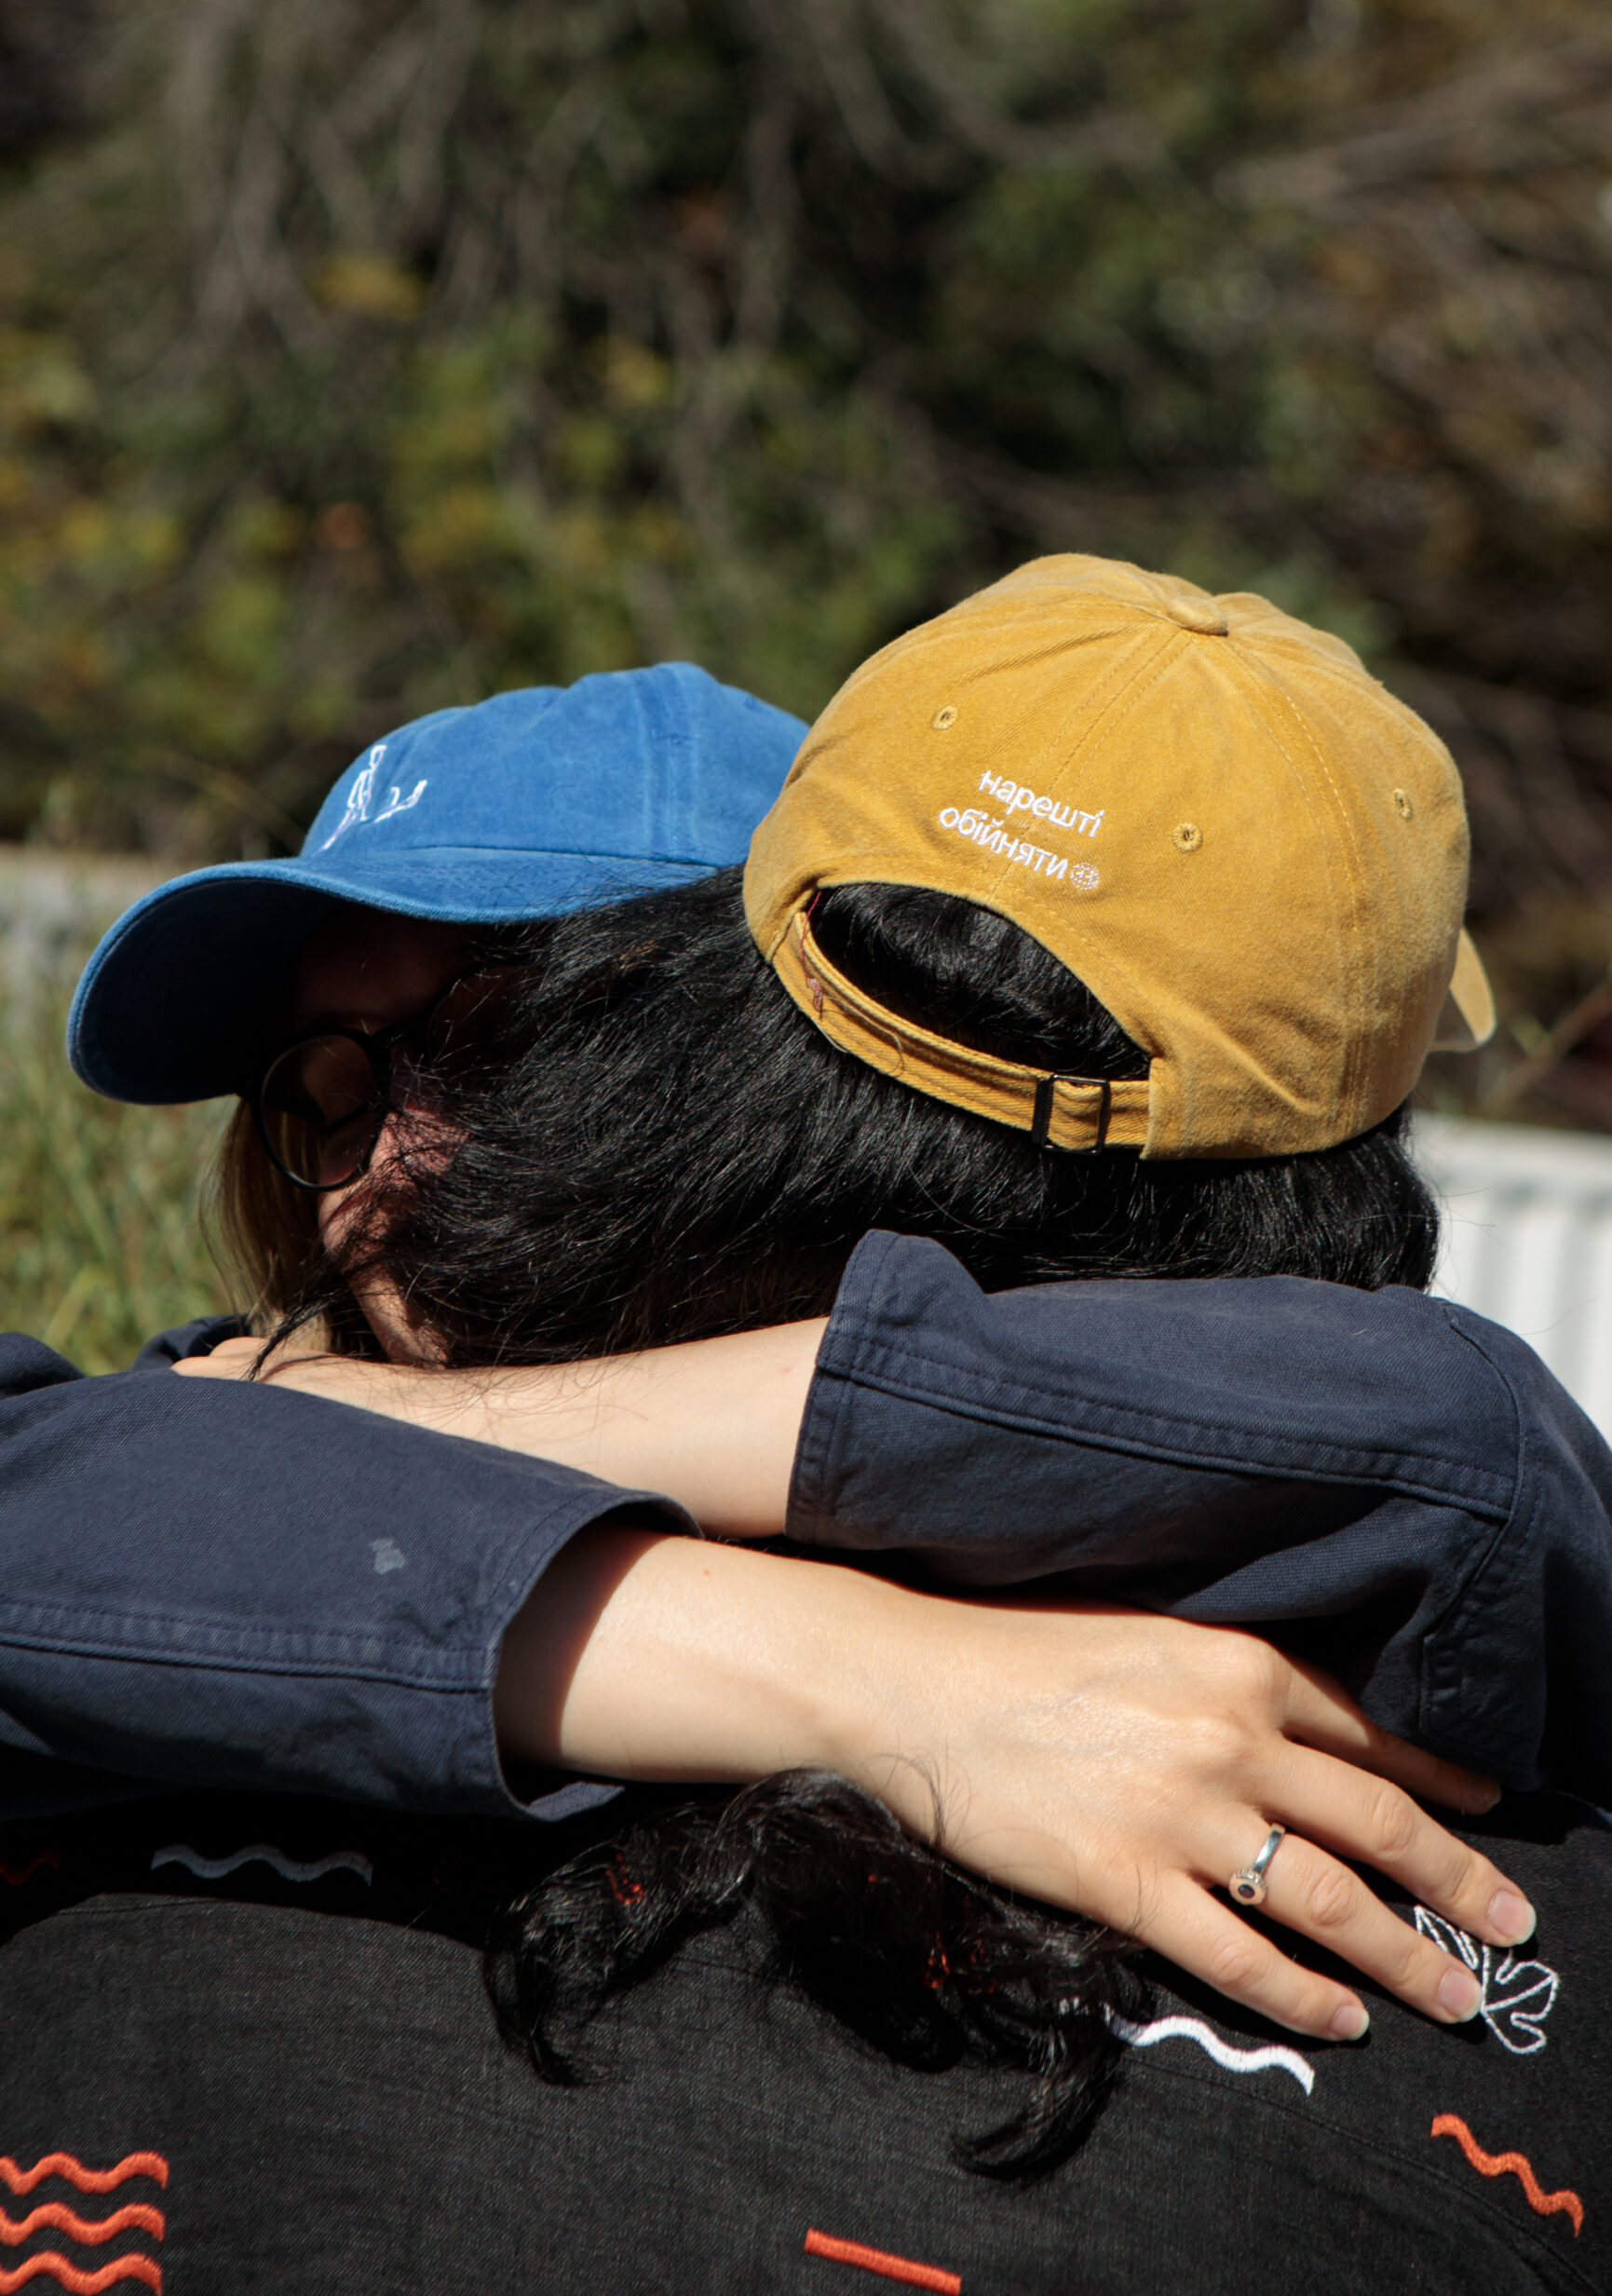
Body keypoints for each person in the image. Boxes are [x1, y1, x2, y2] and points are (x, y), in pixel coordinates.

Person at [0, 560, 1606, 2291]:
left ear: (735, 1058)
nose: (375, 1181)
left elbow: (1458, 1444)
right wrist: (873, 1670)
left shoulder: (1379, 1595)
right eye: (319, 1091)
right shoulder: (200, 1525)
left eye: (492, 1039)